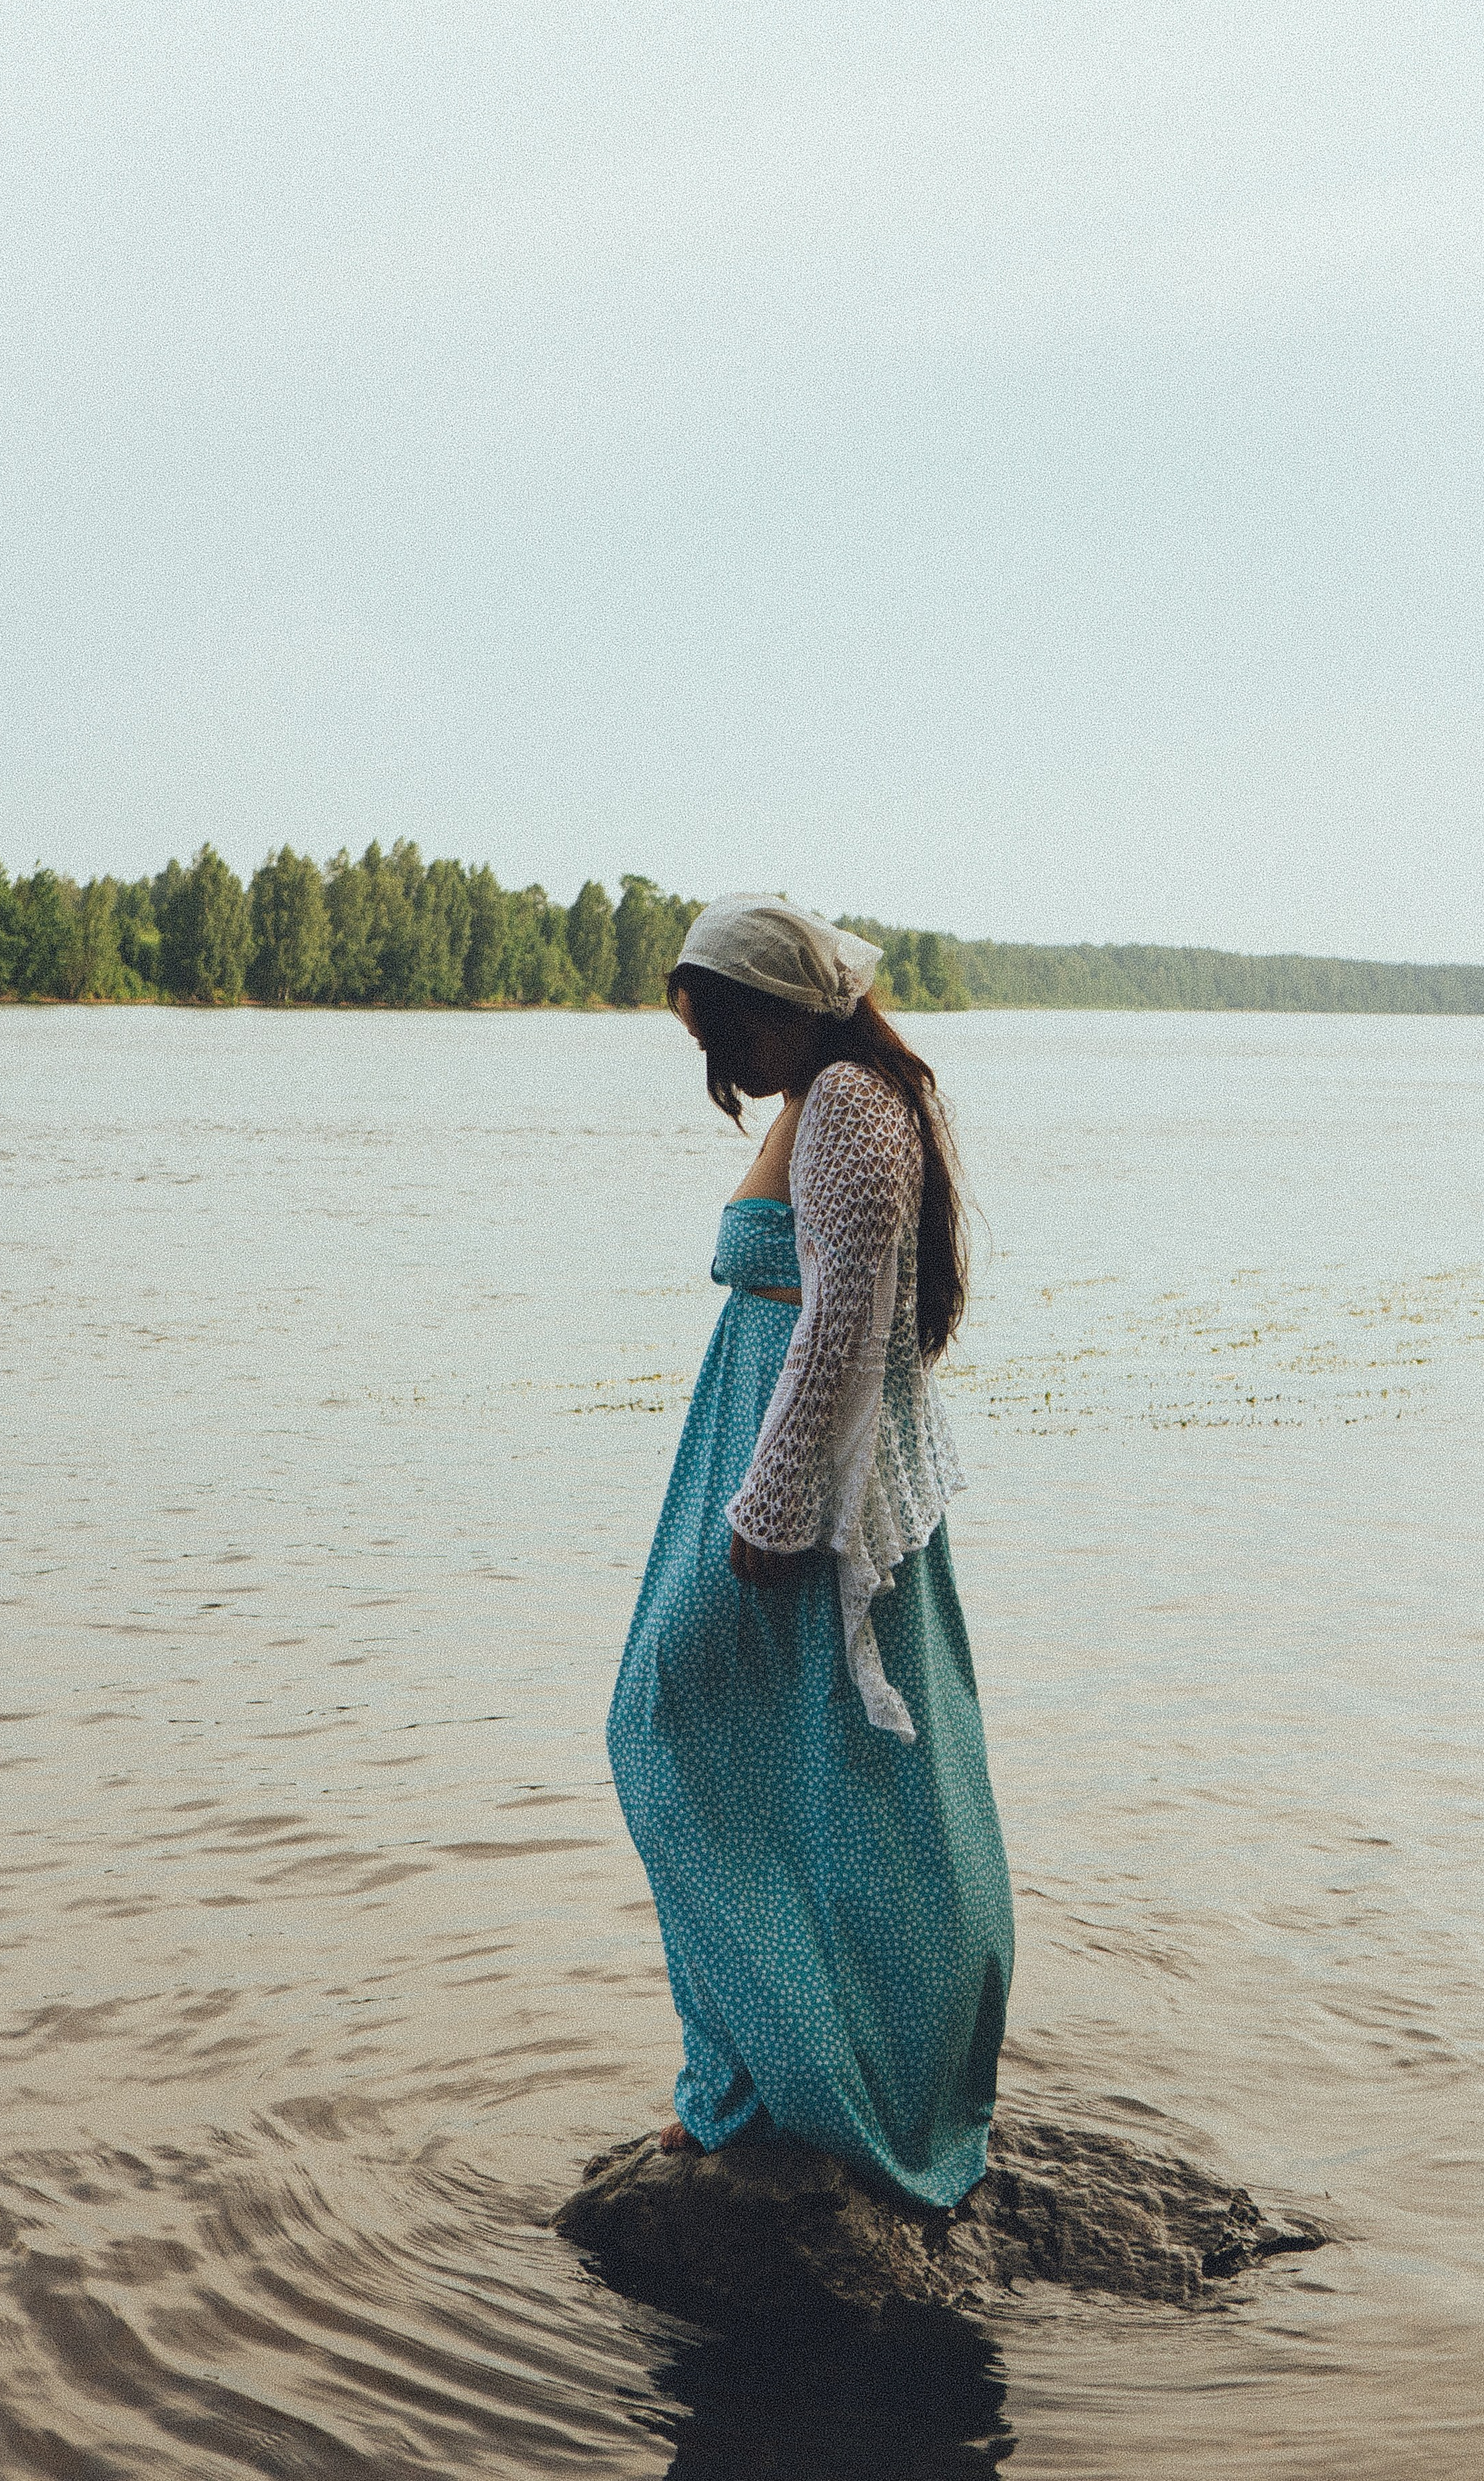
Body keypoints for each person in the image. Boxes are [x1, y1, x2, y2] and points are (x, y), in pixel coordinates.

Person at [607, 893, 1014, 2211]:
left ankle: (801, 2078)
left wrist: (773, 1514)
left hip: (797, 1496)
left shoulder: (848, 1105)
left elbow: (841, 1320)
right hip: (761, 1463)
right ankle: (756, 2075)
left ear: (775, 1009)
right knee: (816, 1775)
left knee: (669, 1727)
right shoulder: (839, 1095)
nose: (721, 1067)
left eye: (725, 1031)